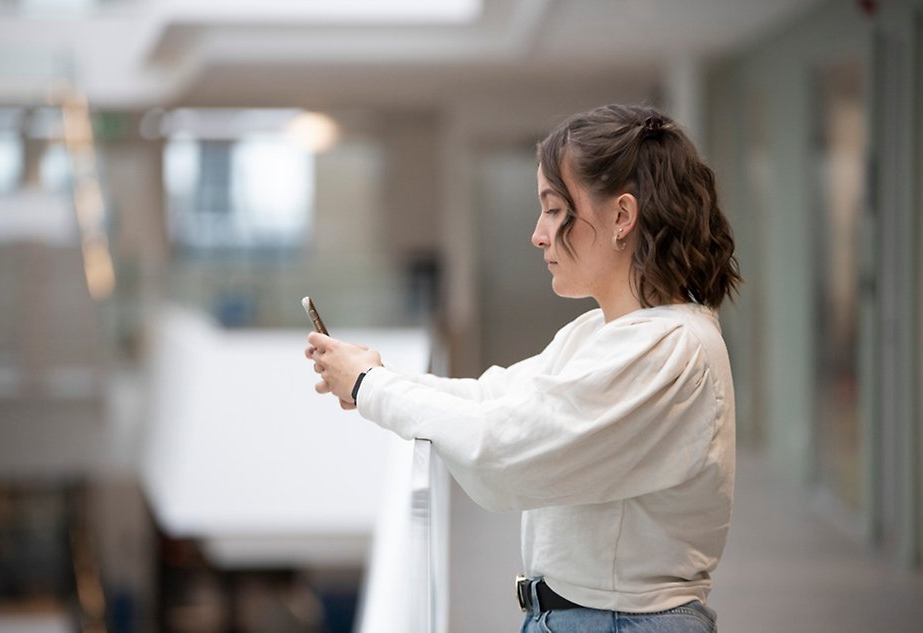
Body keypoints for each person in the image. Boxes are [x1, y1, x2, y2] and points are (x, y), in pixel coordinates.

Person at [305, 103, 741, 633]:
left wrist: (373, 387)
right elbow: (497, 398)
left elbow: (504, 451)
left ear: (622, 217)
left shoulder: (668, 349)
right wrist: (375, 378)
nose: (538, 234)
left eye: (555, 209)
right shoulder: (608, 333)